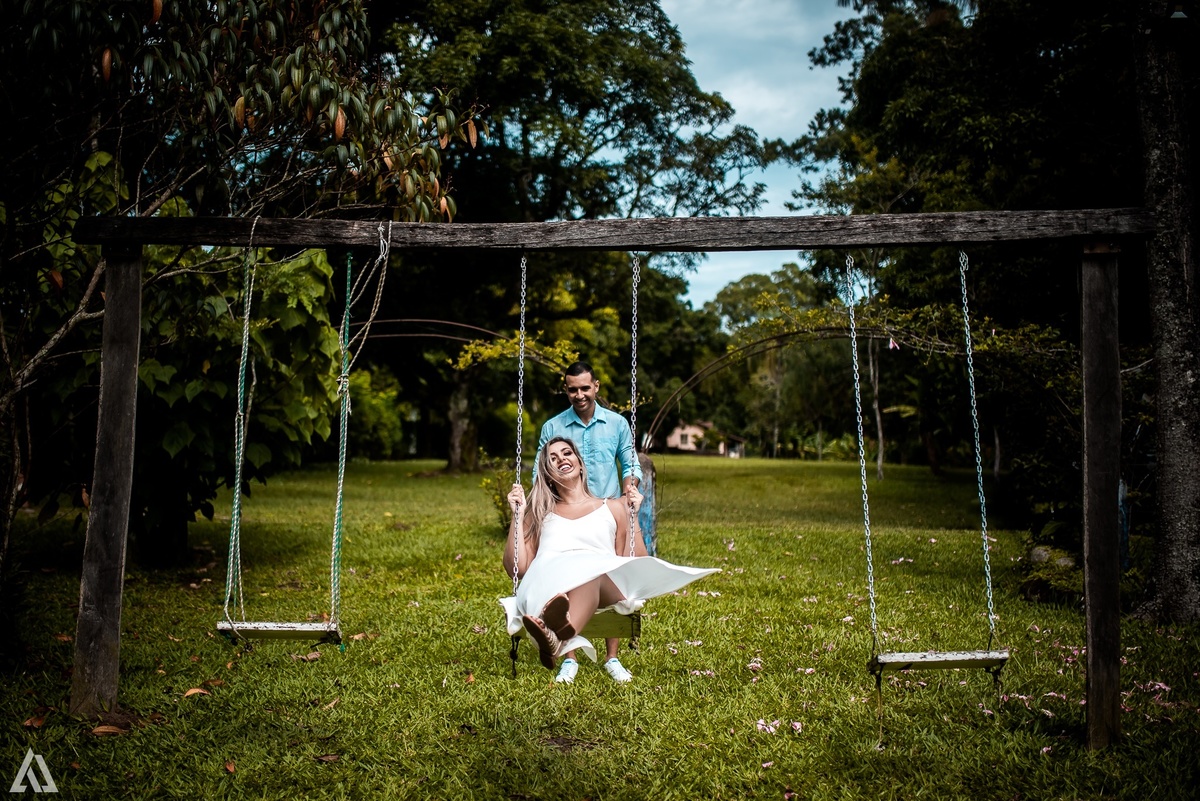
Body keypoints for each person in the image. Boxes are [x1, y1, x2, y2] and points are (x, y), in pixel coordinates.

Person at [500, 437, 718, 683]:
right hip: (550, 585)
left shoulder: (612, 507)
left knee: (591, 572)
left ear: (580, 465)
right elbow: (517, 568)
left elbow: (636, 564)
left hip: (602, 582)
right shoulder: (540, 513)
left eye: (567, 453)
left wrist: (633, 515)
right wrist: (517, 516)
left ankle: (555, 638)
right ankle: (557, 636)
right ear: (548, 474)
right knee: (582, 572)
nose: (561, 458)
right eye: (553, 458)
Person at [533, 361, 644, 674]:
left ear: (596, 386)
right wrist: (532, 506)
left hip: (605, 511)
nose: (579, 395)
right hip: (566, 512)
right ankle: (570, 660)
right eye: (572, 389)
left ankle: (612, 657)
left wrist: (628, 493)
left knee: (610, 571)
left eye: (585, 388)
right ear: (565, 390)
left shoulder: (617, 423)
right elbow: (538, 471)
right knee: (570, 574)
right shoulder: (553, 427)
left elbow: (630, 463)